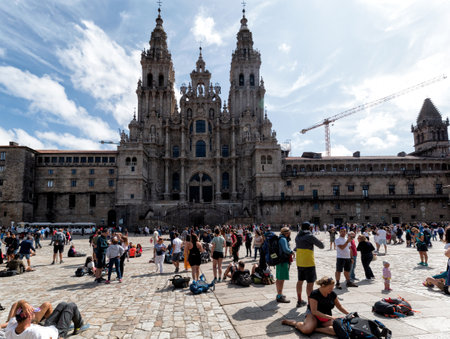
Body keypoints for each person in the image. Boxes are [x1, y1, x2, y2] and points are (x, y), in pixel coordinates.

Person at [281, 277, 350, 336]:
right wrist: (331, 317)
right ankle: (294, 323)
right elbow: (314, 311)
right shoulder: (314, 294)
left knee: (338, 330)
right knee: (307, 330)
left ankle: (315, 328)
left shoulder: (332, 294)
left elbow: (339, 306)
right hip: (313, 315)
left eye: (332, 288)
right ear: (323, 286)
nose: (332, 290)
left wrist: (348, 314)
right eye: (330, 288)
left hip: (325, 317)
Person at [4, 299, 87, 338]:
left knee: (62, 304)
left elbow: (17, 304)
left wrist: (24, 304)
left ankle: (73, 322)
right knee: (71, 306)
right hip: (58, 331)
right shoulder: (35, 333)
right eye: (33, 312)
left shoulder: (12, 326)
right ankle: (79, 326)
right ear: (29, 317)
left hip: (47, 326)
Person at [295, 221, 324, 307]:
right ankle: (309, 302)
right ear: (309, 228)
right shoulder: (310, 236)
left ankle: (299, 300)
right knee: (310, 283)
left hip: (299, 262)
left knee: (300, 281)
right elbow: (321, 246)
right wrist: (319, 240)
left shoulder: (297, 236)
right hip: (308, 262)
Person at [275, 227, 295, 303]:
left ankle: (279, 294)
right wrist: (292, 252)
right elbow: (286, 249)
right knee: (281, 279)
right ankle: (279, 296)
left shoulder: (280, 238)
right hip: (283, 261)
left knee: (278, 278)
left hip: (279, 260)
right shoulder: (283, 239)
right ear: (287, 233)